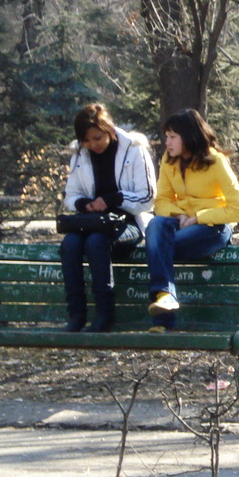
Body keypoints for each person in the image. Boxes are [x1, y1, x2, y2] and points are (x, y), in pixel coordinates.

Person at [147, 109, 239, 330]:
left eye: (173, 137)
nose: (167, 142)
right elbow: (161, 201)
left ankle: (163, 322)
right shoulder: (168, 160)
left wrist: (198, 218)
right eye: (167, 137)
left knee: (160, 248)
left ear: (189, 136)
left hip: (212, 227)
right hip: (181, 221)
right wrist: (180, 214)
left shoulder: (215, 161)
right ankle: (165, 295)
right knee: (155, 225)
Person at [60, 104, 157, 332]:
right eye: (87, 141)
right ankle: (76, 315)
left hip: (130, 222)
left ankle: (105, 315)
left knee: (96, 243)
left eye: (97, 138)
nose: (93, 145)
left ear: (109, 130)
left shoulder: (134, 150)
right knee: (70, 245)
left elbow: (148, 197)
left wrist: (113, 199)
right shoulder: (80, 156)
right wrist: (85, 204)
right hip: (92, 221)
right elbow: (71, 194)